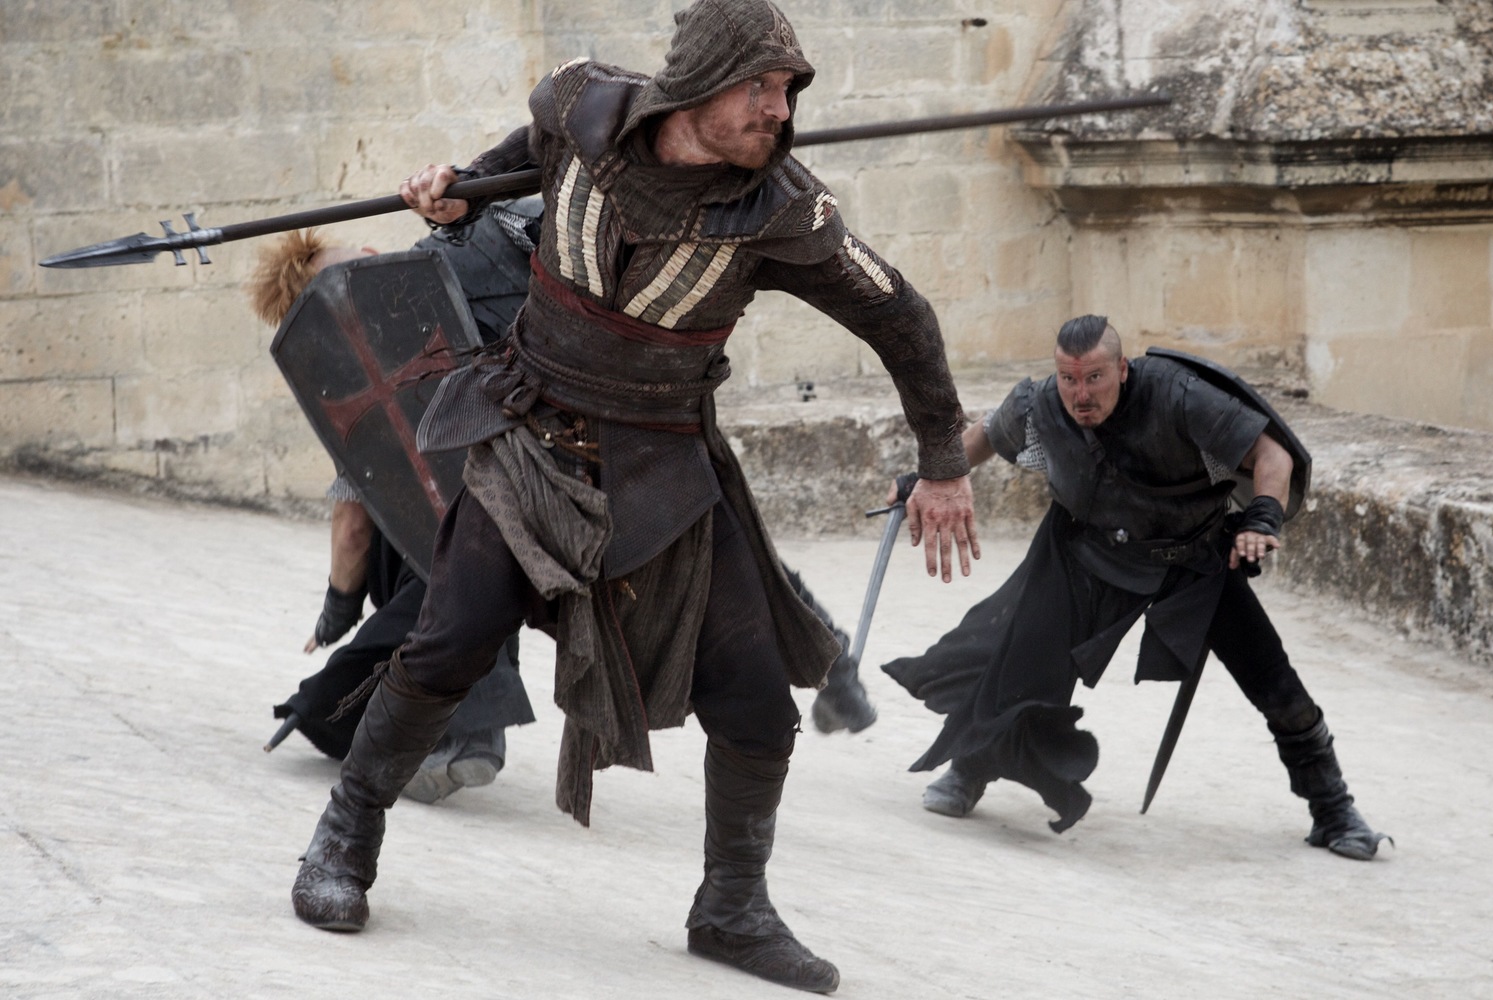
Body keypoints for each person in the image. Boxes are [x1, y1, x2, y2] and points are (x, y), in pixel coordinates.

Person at [288, 1, 978, 993]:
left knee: (757, 704)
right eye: (762, 88)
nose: (781, 112)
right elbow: (515, 160)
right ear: (698, 84)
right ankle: (343, 840)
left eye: (790, 91)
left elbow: (899, 313)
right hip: (527, 437)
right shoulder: (580, 108)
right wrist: (458, 193)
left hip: (665, 473)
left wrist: (943, 461)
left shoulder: (781, 211)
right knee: (447, 646)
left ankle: (731, 908)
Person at [883, 315, 1390, 862]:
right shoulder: (1039, 405)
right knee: (1018, 665)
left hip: (1192, 558)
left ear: (1122, 370)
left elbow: (1272, 453)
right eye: (1069, 379)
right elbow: (983, 436)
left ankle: (1333, 808)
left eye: (1095, 378)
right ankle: (970, 769)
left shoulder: (1180, 396)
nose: (1081, 395)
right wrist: (927, 479)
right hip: (1085, 554)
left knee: (1277, 687)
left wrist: (1262, 515)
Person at [249, 205, 545, 802]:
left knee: (423, 553)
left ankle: (424, 727)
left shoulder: (360, 366)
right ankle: (465, 735)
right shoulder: (473, 246)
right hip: (540, 472)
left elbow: (353, 526)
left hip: (512, 489)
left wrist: (338, 605)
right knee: (450, 552)